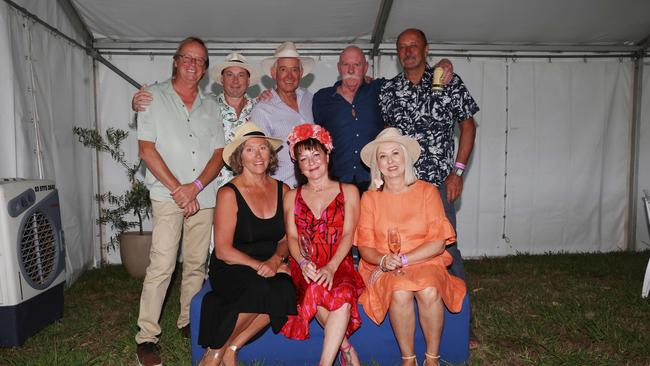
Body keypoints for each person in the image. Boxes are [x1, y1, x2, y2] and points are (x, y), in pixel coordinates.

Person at [378, 28, 479, 348]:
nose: (407, 51)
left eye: (413, 46)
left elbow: (468, 126)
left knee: (446, 250)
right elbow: (385, 137)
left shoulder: (447, 79)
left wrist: (457, 172)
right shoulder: (389, 90)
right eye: (402, 47)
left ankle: (463, 324)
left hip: (436, 186)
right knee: (400, 251)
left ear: (426, 49)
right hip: (399, 188)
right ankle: (408, 321)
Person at [134, 37, 225, 366]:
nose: (192, 64)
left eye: (199, 60)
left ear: (204, 68)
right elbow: (146, 149)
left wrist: (196, 186)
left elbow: (219, 154)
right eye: (187, 58)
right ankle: (146, 336)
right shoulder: (151, 98)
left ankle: (188, 321)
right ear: (175, 61)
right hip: (167, 194)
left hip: (204, 195)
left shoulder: (212, 105)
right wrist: (179, 190)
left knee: (197, 263)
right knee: (162, 264)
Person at [355, 128, 466, 366]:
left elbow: (438, 243)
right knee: (400, 290)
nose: (390, 161)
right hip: (386, 265)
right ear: (377, 164)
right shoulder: (370, 198)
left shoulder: (428, 191)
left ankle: (432, 358)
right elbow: (365, 248)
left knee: (429, 290)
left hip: (426, 260)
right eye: (383, 156)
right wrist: (384, 260)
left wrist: (405, 259)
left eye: (395, 153)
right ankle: (408, 359)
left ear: (406, 157)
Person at [197, 122, 296, 366]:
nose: (258, 155)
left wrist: (275, 261)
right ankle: (214, 353)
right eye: (250, 150)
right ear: (240, 156)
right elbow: (223, 250)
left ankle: (230, 348)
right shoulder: (228, 193)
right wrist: (260, 266)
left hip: (269, 262)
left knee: (285, 289)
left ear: (270, 154)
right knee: (261, 289)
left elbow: (286, 239)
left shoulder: (283, 190)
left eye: (262, 148)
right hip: (232, 264)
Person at [313, 46, 453, 194]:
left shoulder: (382, 89)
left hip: (375, 184)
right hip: (335, 185)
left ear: (366, 67)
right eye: (346, 64)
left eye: (357, 65)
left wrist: (444, 62)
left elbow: (410, 79)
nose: (351, 70)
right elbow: (316, 143)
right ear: (339, 67)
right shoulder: (322, 98)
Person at [280, 124, 364, 366]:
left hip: (339, 260)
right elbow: (292, 238)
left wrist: (331, 266)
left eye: (316, 154)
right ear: (297, 163)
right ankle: (345, 348)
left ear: (327, 154)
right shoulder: (290, 196)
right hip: (305, 263)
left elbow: (349, 234)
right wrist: (304, 262)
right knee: (315, 288)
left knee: (343, 292)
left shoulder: (348, 191)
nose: (311, 162)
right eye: (303, 158)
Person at [132, 52, 262, 188]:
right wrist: (140, 104)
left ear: (248, 80)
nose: (235, 81)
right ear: (222, 79)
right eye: (229, 74)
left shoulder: (261, 108)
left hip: (253, 190)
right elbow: (171, 113)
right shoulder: (206, 105)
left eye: (241, 75)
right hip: (213, 190)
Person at [251, 41, 315, 188]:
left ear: (301, 73)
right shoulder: (262, 110)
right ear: (274, 73)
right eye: (283, 69)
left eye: (294, 70)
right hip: (281, 189)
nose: (289, 76)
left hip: (313, 188)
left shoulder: (310, 98)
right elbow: (257, 158)